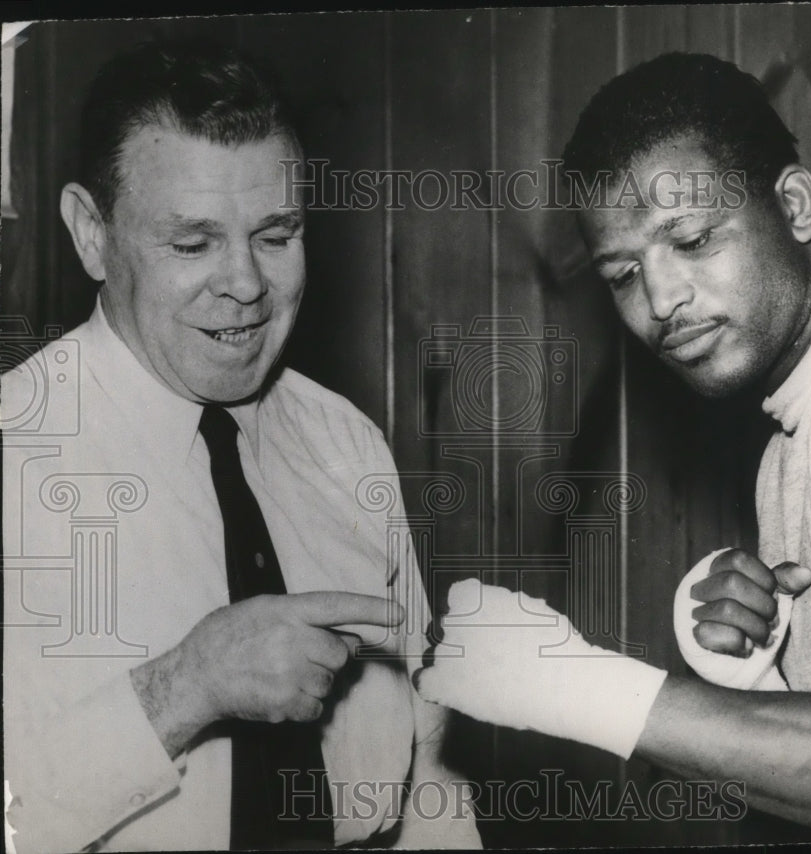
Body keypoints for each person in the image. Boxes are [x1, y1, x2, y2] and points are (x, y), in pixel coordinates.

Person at [415, 52, 811, 841]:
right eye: (623, 273)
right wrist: (757, 673)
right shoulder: (801, 423)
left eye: (690, 239)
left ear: (794, 205)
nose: (660, 301)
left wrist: (571, 684)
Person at [2, 40, 480, 852]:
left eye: (275, 234)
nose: (247, 285)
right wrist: (187, 687)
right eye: (192, 244)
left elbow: (428, 770)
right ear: (90, 233)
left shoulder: (348, 445)